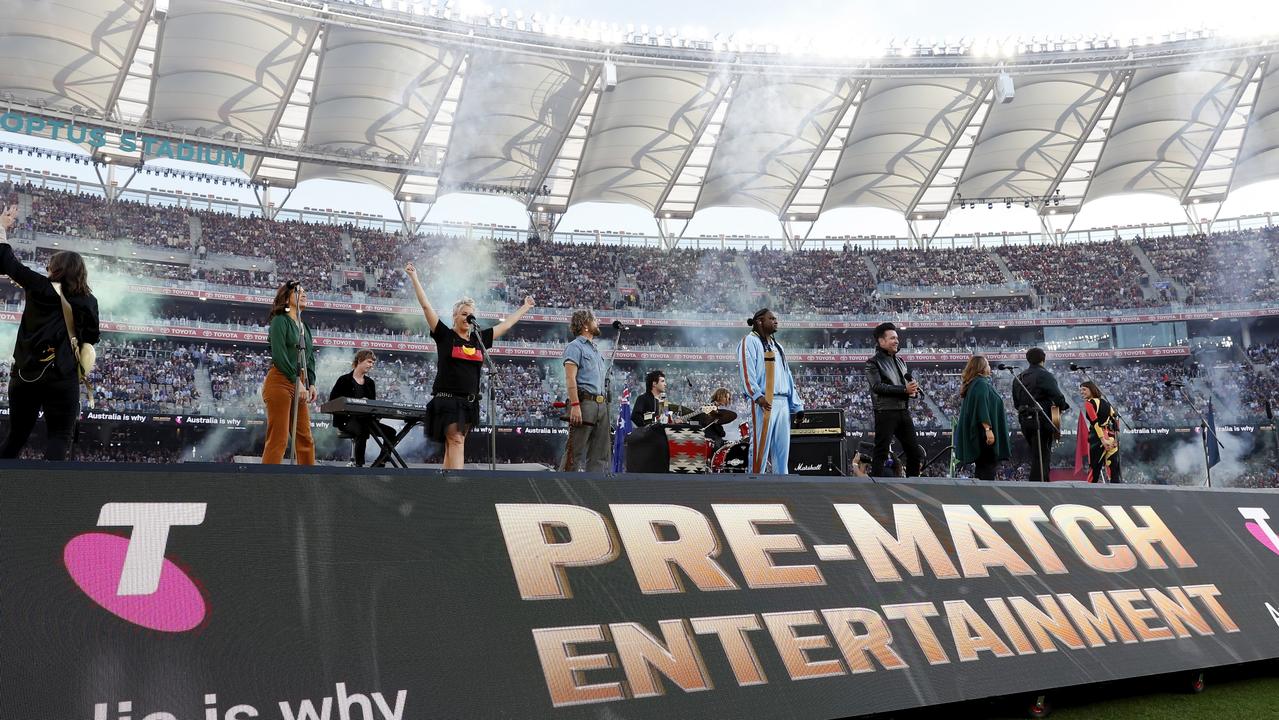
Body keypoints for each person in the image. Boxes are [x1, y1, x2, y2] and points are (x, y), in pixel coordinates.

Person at [405, 262, 535, 469]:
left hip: (469, 402)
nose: (468, 317)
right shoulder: (445, 335)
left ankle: (448, 482)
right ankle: (459, 485)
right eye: (464, 313)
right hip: (448, 400)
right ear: (454, 316)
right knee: (456, 441)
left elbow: (507, 324)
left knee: (455, 443)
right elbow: (426, 307)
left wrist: (525, 307)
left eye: (471, 314)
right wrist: (414, 277)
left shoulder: (479, 339)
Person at [0, 203, 99, 460]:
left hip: (26, 373)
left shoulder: (39, 286)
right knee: (60, 436)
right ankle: (47, 494)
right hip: (63, 376)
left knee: (16, 436)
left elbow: (6, 261)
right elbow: (91, 340)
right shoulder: (88, 301)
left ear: (55, 270)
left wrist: (1, 227)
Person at [738, 309, 803, 474]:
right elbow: (747, 371)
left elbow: (787, 374)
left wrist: (796, 405)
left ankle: (782, 487)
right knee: (760, 448)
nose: (776, 321)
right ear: (760, 321)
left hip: (783, 403)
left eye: (776, 318)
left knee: (782, 452)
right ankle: (755, 484)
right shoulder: (750, 341)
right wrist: (757, 396)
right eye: (771, 318)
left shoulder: (778, 346)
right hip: (764, 401)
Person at [261, 281, 317, 465]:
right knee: (279, 437)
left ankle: (309, 484)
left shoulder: (305, 327)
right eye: (298, 291)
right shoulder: (280, 321)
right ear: (286, 299)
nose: (304, 294)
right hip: (280, 380)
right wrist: (296, 380)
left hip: (299, 383)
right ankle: (267, 483)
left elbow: (309, 357)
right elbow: (279, 355)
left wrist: (311, 383)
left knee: (305, 437)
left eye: (305, 291)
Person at [864, 322, 923, 477]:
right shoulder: (873, 362)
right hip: (885, 412)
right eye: (892, 338)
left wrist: (912, 392)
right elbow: (877, 386)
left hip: (903, 410)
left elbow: (906, 386)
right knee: (881, 452)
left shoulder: (901, 361)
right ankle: (876, 486)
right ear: (881, 341)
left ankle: (913, 485)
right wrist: (904, 390)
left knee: (914, 452)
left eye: (897, 338)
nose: (896, 341)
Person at [562, 309, 612, 472]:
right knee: (574, 452)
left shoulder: (596, 351)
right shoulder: (574, 347)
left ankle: (594, 492)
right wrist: (575, 405)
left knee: (600, 454)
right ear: (585, 325)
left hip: (601, 404)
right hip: (584, 403)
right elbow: (570, 378)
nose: (597, 322)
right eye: (594, 320)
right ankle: (563, 490)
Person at [328, 350, 395, 467]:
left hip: (367, 420)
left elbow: (373, 406)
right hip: (346, 420)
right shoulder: (344, 380)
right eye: (369, 362)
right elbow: (333, 402)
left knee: (391, 432)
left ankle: (381, 461)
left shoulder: (370, 383)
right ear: (359, 361)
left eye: (372, 363)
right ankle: (359, 465)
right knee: (362, 430)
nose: (371, 365)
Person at [1012, 347, 1070, 482]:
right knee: (1043, 455)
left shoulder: (1018, 378)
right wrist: (1063, 406)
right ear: (1043, 360)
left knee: (1036, 454)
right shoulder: (1044, 375)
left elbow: (1016, 404)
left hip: (1025, 421)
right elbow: (1058, 397)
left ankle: (1040, 482)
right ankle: (1039, 485)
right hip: (1042, 420)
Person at [953, 355, 1010, 481]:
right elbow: (982, 407)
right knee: (987, 466)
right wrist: (988, 429)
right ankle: (987, 496)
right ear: (982, 368)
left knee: (983, 467)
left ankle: (982, 495)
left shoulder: (975, 383)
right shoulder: (981, 384)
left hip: (980, 432)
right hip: (984, 434)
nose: (990, 367)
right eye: (988, 364)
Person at [1080, 380, 1122, 483]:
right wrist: (1116, 438)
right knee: (1113, 467)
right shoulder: (1106, 403)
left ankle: (1090, 493)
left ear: (1092, 389)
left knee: (1094, 467)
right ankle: (1117, 492)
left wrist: (1103, 439)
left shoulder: (1089, 403)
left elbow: (1095, 422)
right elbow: (1115, 419)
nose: (1082, 392)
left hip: (1097, 439)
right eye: (1081, 390)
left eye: (1084, 389)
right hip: (1111, 438)